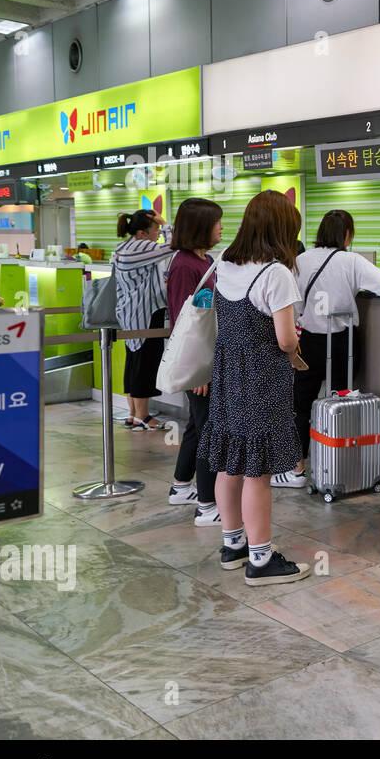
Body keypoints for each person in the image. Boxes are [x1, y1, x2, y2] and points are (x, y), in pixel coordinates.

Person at [199, 190, 311, 587]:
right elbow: (284, 339)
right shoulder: (276, 273)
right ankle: (261, 560)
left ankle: (234, 547)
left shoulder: (224, 262)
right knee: (258, 469)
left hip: (229, 372)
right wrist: (296, 346)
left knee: (231, 459)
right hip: (262, 377)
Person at [279, 209, 380, 488]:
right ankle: (339, 465)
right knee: (341, 400)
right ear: (347, 234)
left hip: (309, 342)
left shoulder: (300, 260)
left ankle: (296, 470)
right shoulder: (352, 260)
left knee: (301, 406)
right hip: (344, 342)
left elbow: (291, 301)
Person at [165, 198, 224, 526]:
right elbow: (184, 321)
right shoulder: (185, 265)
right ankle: (207, 505)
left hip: (205, 359)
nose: (221, 228)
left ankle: (180, 487)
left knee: (196, 426)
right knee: (208, 432)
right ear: (200, 226)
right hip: (199, 362)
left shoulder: (205, 260)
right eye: (217, 222)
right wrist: (198, 368)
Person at [113, 209, 172, 430]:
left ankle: (133, 414)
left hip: (129, 313)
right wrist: (165, 223)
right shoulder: (142, 246)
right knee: (144, 365)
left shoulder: (124, 247)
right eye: (155, 230)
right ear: (142, 232)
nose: (158, 233)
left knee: (134, 363)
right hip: (144, 313)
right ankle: (143, 417)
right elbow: (175, 246)